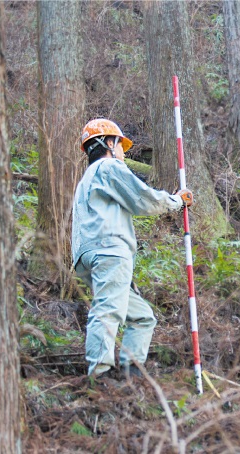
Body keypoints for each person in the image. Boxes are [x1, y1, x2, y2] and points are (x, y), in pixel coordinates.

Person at [72, 118, 194, 379]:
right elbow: (142, 198)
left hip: (89, 256)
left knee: (142, 317)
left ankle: (131, 376)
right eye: (120, 146)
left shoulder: (86, 180)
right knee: (107, 310)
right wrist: (176, 201)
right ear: (108, 143)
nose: (123, 153)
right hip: (108, 251)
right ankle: (100, 374)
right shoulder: (108, 168)